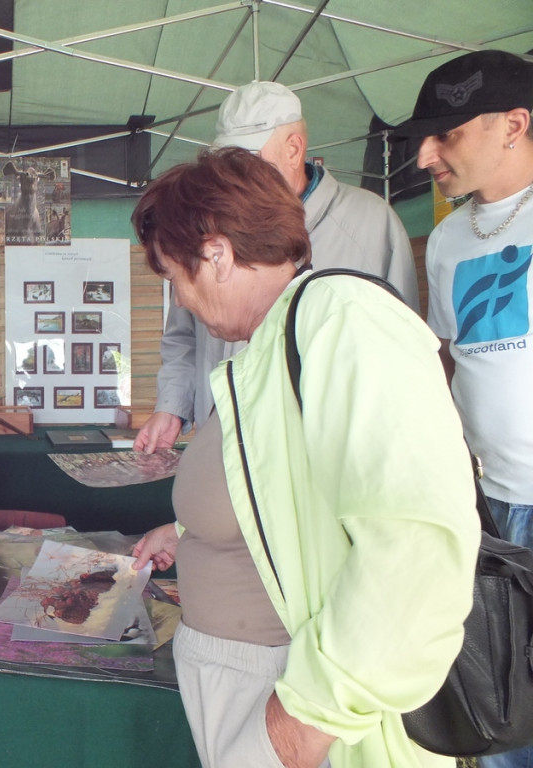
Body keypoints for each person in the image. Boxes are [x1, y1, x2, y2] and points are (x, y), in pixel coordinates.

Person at [129, 147, 480, 768]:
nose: (179, 300)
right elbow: (280, 493)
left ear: (215, 253)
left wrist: (301, 725)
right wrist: (188, 532)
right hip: (259, 688)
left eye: (172, 277)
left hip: (302, 709)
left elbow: (416, 548)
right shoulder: (275, 338)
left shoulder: (343, 319)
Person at [135, 81, 419, 453]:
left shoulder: (371, 224)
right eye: (229, 160)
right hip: (223, 441)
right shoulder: (212, 221)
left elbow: (401, 358)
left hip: (314, 454)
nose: (237, 173)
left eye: (250, 158)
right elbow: (182, 334)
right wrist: (172, 406)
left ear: (294, 148)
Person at [394, 48, 533, 768]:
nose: (423, 156)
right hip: (494, 508)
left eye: (445, 134)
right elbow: (448, 362)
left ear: (513, 124)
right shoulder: (447, 240)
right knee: (504, 715)